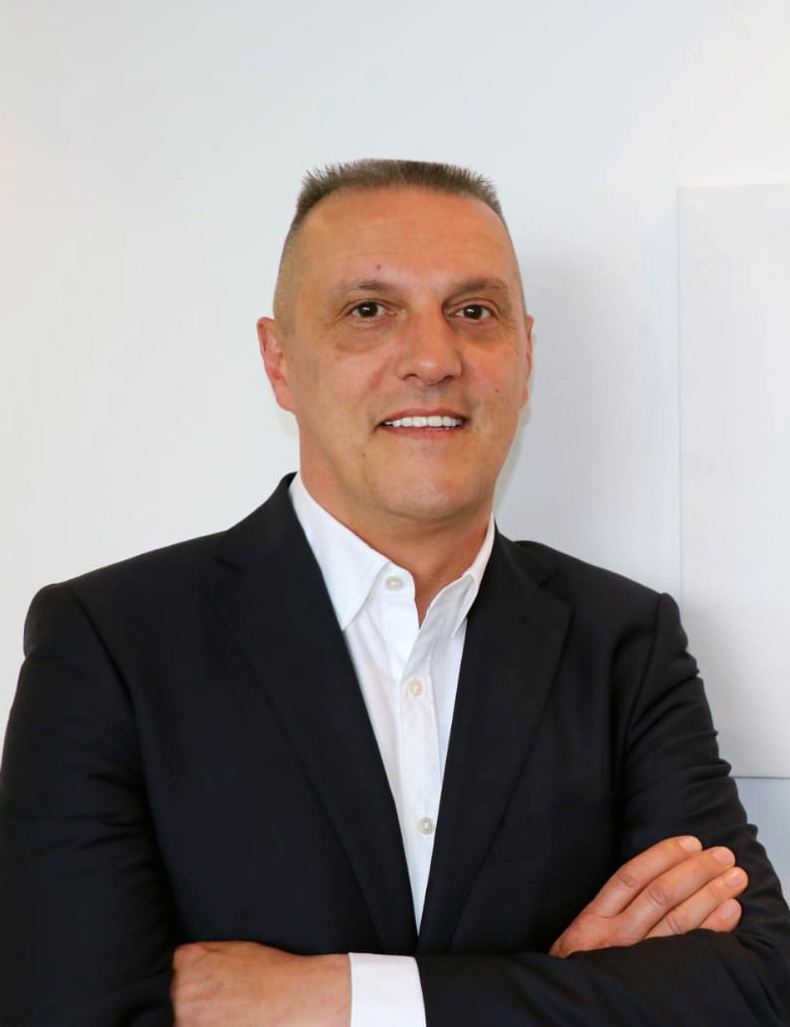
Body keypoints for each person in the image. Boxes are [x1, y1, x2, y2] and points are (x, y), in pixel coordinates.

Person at [1, 159, 789, 1027]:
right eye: (369, 311)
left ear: (526, 355)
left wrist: (334, 998)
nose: (433, 358)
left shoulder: (624, 645)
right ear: (279, 362)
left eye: (474, 311)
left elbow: (757, 985)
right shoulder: (110, 645)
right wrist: (560, 990)